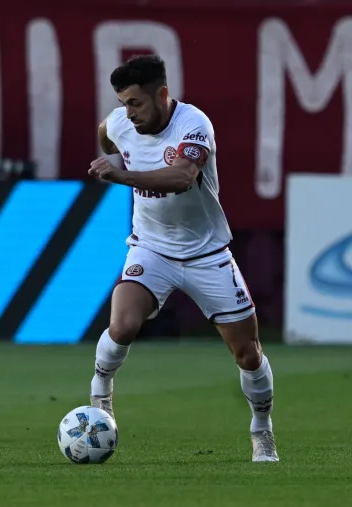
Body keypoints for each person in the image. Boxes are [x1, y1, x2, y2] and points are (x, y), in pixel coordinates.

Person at [87, 54, 278, 462]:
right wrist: (113, 150)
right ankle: (101, 393)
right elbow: (107, 133)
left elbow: (181, 178)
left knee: (247, 353)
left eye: (136, 102)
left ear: (162, 94)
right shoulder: (121, 123)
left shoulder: (193, 125)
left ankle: (261, 429)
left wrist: (118, 173)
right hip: (151, 248)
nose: (129, 113)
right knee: (121, 325)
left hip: (207, 254)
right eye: (123, 103)